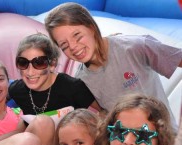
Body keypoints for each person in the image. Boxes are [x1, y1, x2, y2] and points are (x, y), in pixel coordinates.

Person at [44, 2, 182, 131]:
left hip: (164, 139)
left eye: (77, 36)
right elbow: (103, 116)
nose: (73, 47)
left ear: (91, 27)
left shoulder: (135, 47)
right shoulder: (81, 81)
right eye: (65, 45)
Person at [8, 32, 101, 145]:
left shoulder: (72, 87)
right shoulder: (17, 89)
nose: (30, 72)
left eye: (39, 63)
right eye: (23, 63)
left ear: (52, 64)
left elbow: (103, 110)